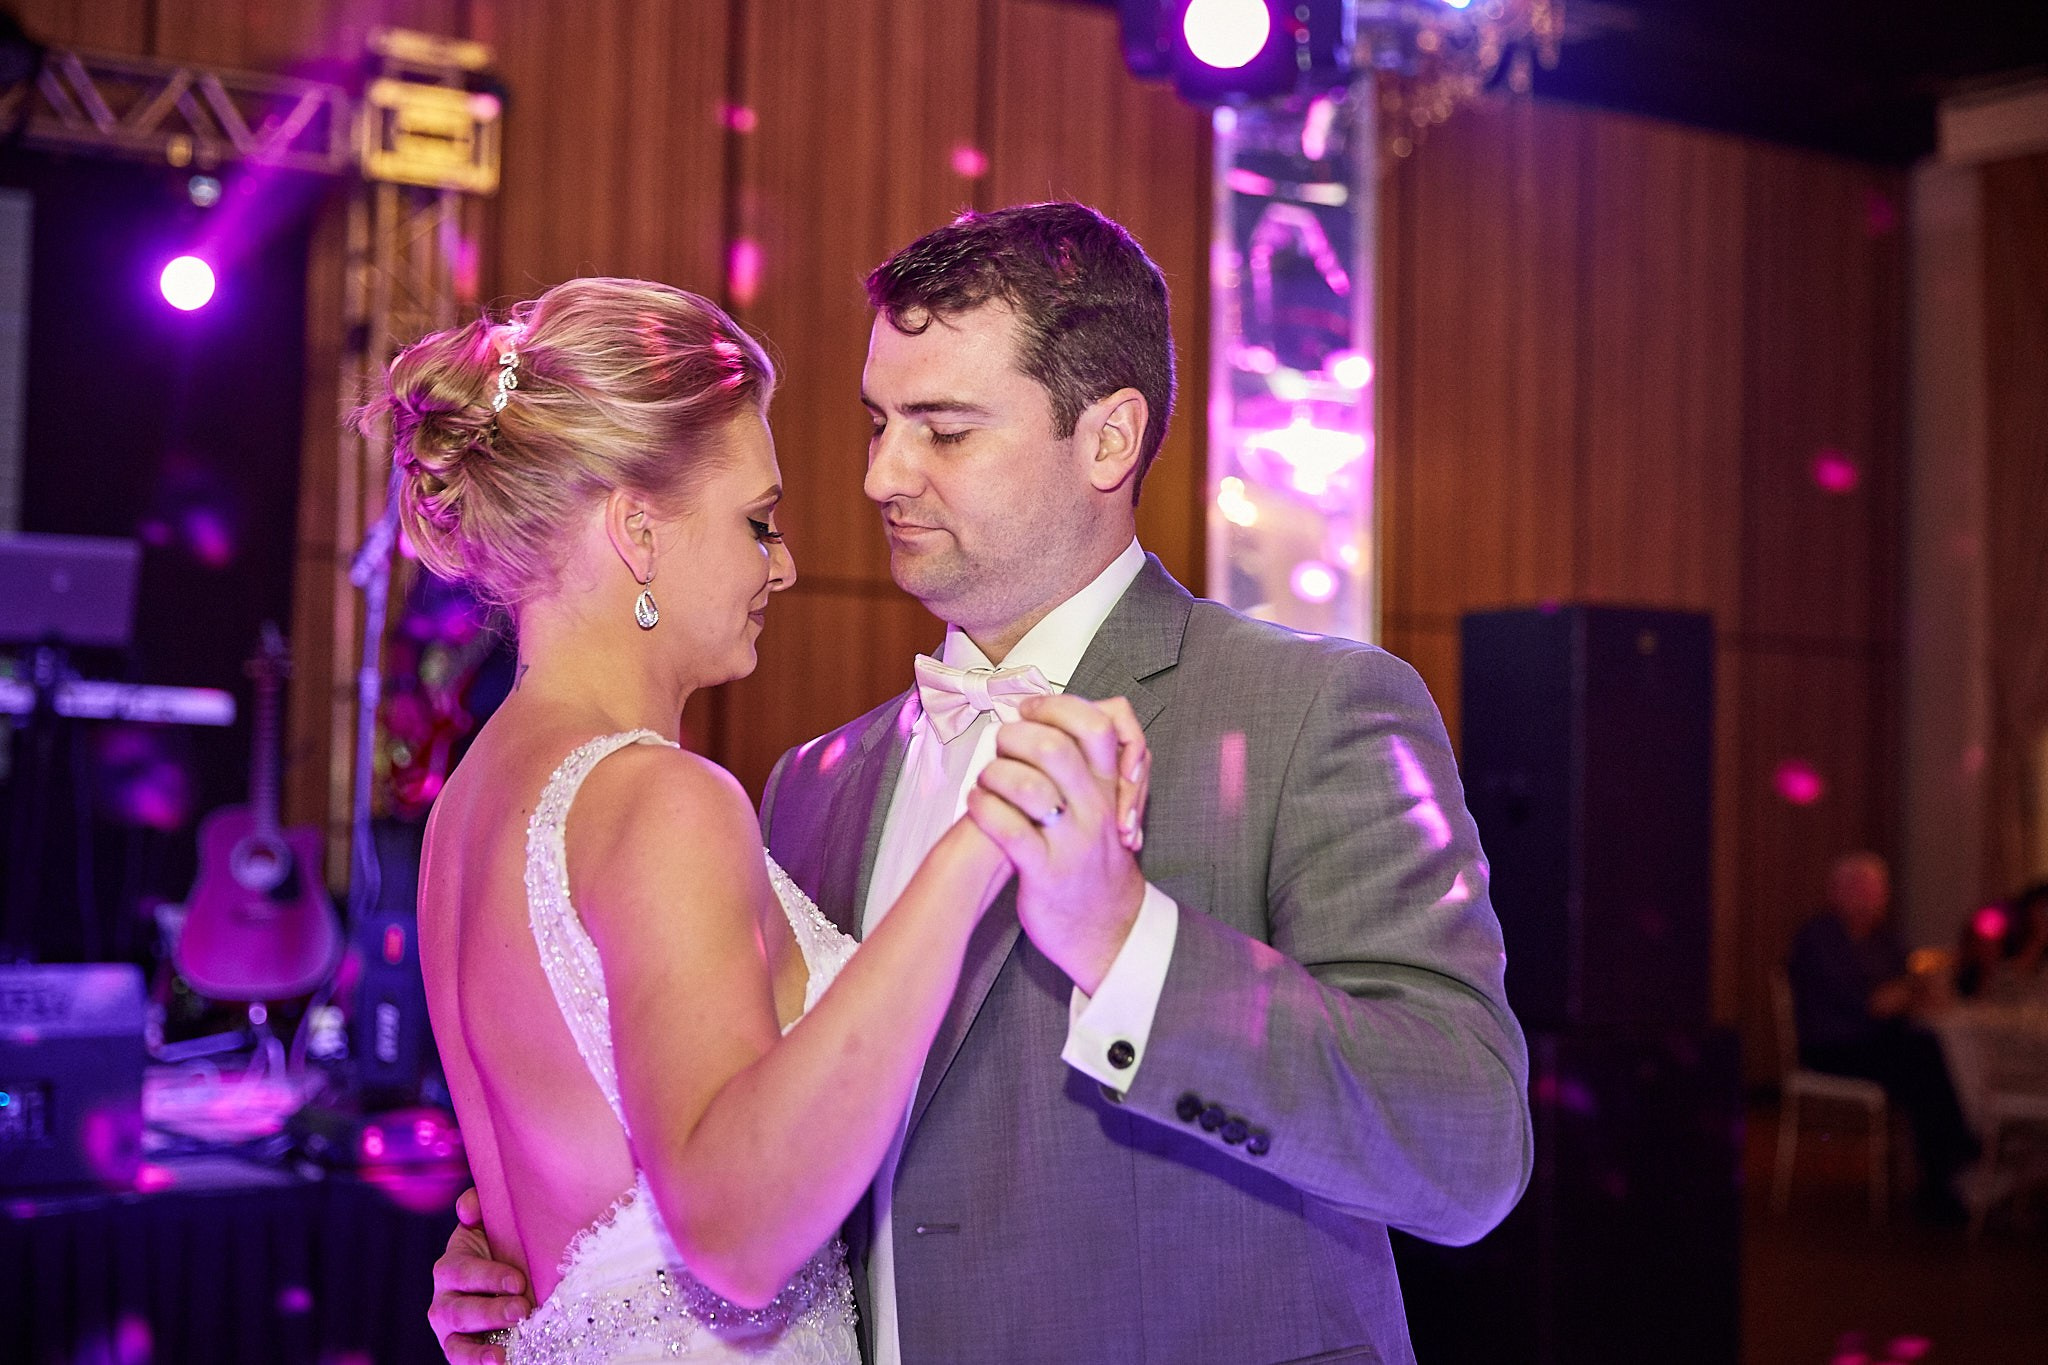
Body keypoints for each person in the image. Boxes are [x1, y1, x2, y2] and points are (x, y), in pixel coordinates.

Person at [432, 204, 1532, 1365]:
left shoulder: (1312, 711)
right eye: (877, 423)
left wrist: (1129, 948)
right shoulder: (811, 784)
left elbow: (1464, 1151)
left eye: (942, 431)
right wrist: (552, 1272)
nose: (877, 476)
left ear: (1107, 442)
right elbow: (755, 1161)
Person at [384, 276, 1147, 1364]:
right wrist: (983, 838)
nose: (781, 565)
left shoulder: (470, 801)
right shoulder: (658, 797)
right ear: (637, 533)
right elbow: (735, 1238)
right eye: (758, 522)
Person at [1788, 851, 1978, 1219]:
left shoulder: (1884, 940)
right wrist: (1905, 993)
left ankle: (1949, 1167)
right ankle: (1952, 1165)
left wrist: (1911, 990)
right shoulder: (1819, 938)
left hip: (1878, 1040)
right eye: (1865, 890)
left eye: (1878, 890)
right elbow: (1870, 1002)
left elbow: (1911, 987)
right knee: (1922, 1062)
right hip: (1834, 1047)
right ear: (1839, 892)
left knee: (1930, 1051)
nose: (1875, 899)